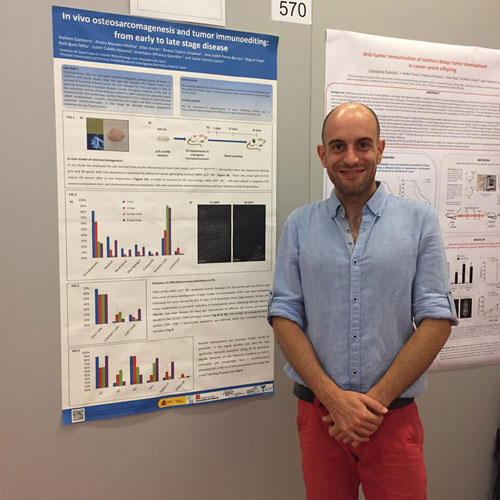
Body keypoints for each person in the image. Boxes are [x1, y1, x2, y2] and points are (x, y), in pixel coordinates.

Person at [268, 102, 458, 500]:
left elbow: (437, 319)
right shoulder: (299, 225)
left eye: (363, 145)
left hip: (391, 417)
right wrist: (334, 400)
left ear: (380, 149)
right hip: (320, 417)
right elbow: (284, 314)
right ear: (323, 154)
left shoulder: (419, 221)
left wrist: (369, 406)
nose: (351, 158)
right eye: (338, 146)